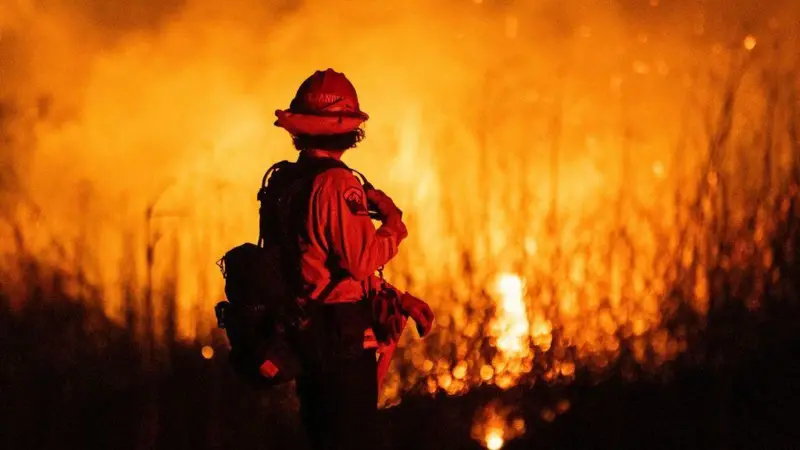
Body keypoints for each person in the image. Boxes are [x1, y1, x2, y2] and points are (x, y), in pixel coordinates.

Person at [265, 68, 435, 450]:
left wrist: (397, 299)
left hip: (307, 333)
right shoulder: (337, 184)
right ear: (347, 127)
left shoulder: (286, 181)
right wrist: (392, 223)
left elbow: (318, 262)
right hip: (340, 341)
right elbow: (360, 261)